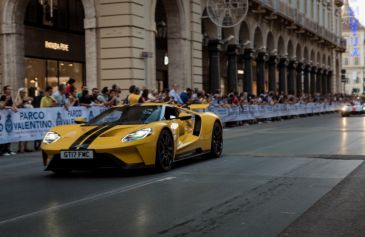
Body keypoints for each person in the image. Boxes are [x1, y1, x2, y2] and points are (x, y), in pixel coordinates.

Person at [15, 88, 33, 153]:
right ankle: (20, 148)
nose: (24, 94)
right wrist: (23, 100)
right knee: (21, 133)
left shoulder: (26, 99)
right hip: (20, 118)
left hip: (27, 118)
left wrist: (29, 101)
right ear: (19, 93)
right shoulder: (18, 98)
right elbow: (16, 105)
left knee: (27, 132)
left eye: (25, 92)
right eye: (22, 92)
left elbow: (29, 105)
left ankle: (25, 147)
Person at [0, 85, 17, 156]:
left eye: (11, 89)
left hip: (9, 117)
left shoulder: (10, 97)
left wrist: (14, 108)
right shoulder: (3, 97)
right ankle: (2, 150)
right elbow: (1, 106)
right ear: (4, 90)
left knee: (9, 132)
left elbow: (13, 105)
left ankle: (8, 149)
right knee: (3, 133)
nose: (10, 91)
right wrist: (7, 101)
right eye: (8, 89)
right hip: (3, 118)